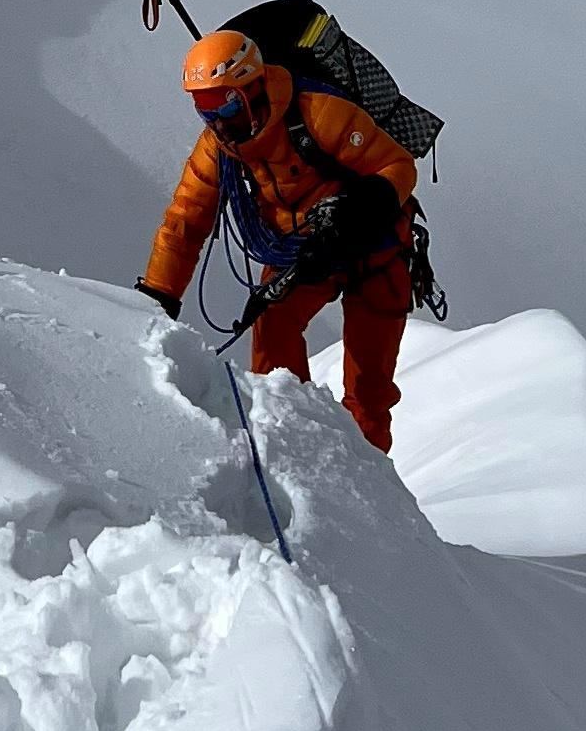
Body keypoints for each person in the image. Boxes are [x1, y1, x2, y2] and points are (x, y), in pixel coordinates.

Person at [138, 25, 419, 454]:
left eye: (222, 102)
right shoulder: (218, 147)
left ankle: (369, 496)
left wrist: (359, 206)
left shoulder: (319, 112)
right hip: (304, 254)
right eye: (202, 106)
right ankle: (295, 452)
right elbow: (186, 220)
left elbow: (398, 168)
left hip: (378, 250)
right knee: (272, 335)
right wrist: (158, 296)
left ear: (251, 88)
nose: (215, 119)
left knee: (369, 392)